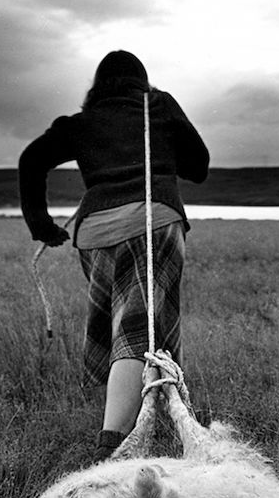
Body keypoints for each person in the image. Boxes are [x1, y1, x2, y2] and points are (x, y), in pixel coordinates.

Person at [18, 51, 210, 462]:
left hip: (95, 232)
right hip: (152, 222)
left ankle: (145, 421)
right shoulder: (157, 106)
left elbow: (31, 160)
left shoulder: (80, 123)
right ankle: (113, 448)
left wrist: (42, 226)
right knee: (139, 331)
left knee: (124, 323)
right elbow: (199, 167)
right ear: (142, 81)